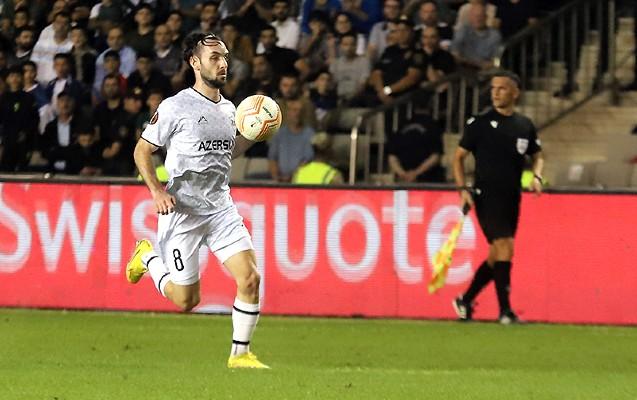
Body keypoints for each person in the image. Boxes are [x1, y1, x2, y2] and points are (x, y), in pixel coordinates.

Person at [127, 32, 269, 369]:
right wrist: (157, 191)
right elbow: (142, 150)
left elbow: (227, 152)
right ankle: (147, 257)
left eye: (225, 57)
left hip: (220, 208)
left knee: (251, 279)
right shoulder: (175, 107)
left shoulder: (230, 109)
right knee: (187, 300)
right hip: (183, 212)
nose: (223, 64)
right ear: (194, 62)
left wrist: (254, 134)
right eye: (214, 58)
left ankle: (240, 355)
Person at [452, 71, 544, 324]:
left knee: (497, 253)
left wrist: (537, 176)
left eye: (502, 88)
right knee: (505, 246)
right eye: (493, 88)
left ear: (515, 93)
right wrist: (462, 189)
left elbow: (538, 155)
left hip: (512, 197)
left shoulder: (524, 125)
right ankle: (505, 311)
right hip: (486, 195)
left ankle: (465, 299)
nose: (495, 93)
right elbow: (458, 157)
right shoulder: (479, 123)